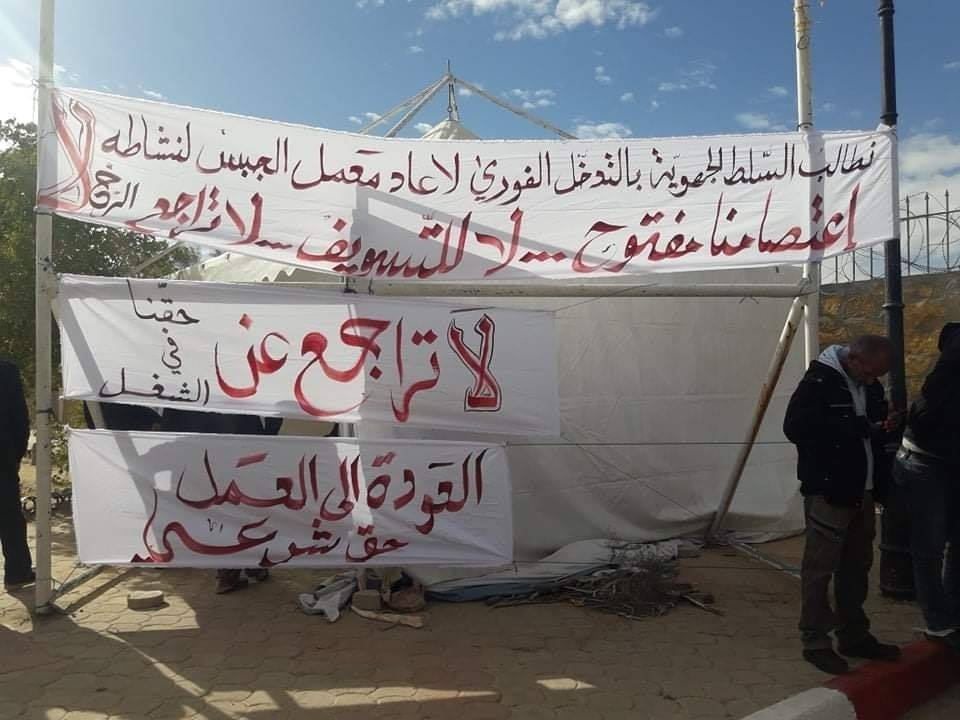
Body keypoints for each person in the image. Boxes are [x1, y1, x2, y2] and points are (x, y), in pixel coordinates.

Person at [783, 335, 902, 674]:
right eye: (868, 372)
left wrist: (885, 424)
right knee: (819, 569)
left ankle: (853, 634)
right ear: (852, 358)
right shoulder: (819, 382)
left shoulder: (869, 384)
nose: (871, 380)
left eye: (877, 375)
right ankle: (815, 641)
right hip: (829, 491)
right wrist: (855, 426)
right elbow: (795, 428)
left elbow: (870, 428)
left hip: (863, 491)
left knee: (857, 567)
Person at [159, 408, 280, 594]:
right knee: (243, 510)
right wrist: (268, 436)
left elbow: (170, 425)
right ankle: (245, 567)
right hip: (240, 451)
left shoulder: (185, 395)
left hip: (204, 456)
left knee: (220, 513)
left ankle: (235, 569)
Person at [893, 322, 960, 649]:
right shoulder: (953, 364)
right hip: (926, 461)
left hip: (946, 461)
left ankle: (951, 615)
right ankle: (938, 622)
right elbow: (927, 415)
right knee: (929, 547)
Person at [0, 359, 35, 589]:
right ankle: (17, 572)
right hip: (3, 458)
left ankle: (19, 571)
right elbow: (20, 420)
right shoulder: (6, 371)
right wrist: (14, 455)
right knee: (9, 516)